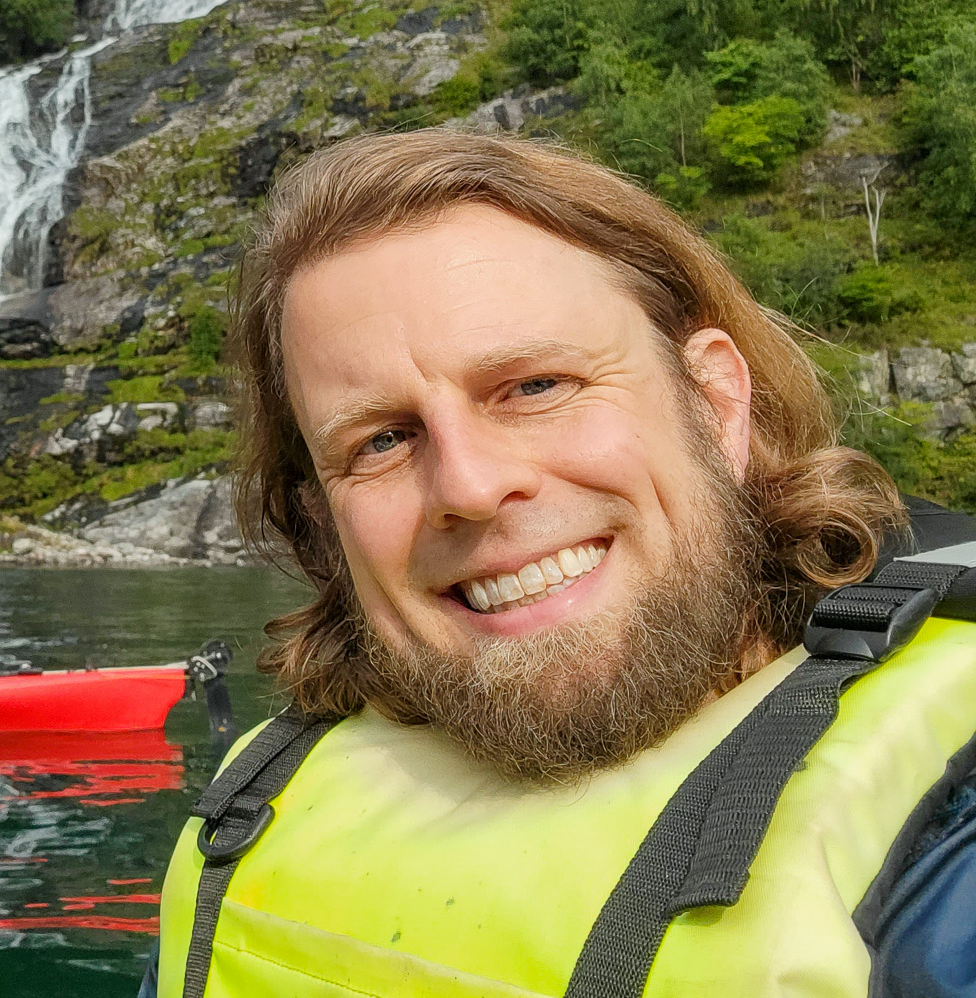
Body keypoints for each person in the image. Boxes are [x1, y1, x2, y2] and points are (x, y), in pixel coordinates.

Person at [152, 130, 976, 998]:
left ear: (717, 403)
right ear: (325, 528)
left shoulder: (947, 850)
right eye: (383, 440)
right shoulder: (252, 816)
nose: (468, 485)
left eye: (536, 386)